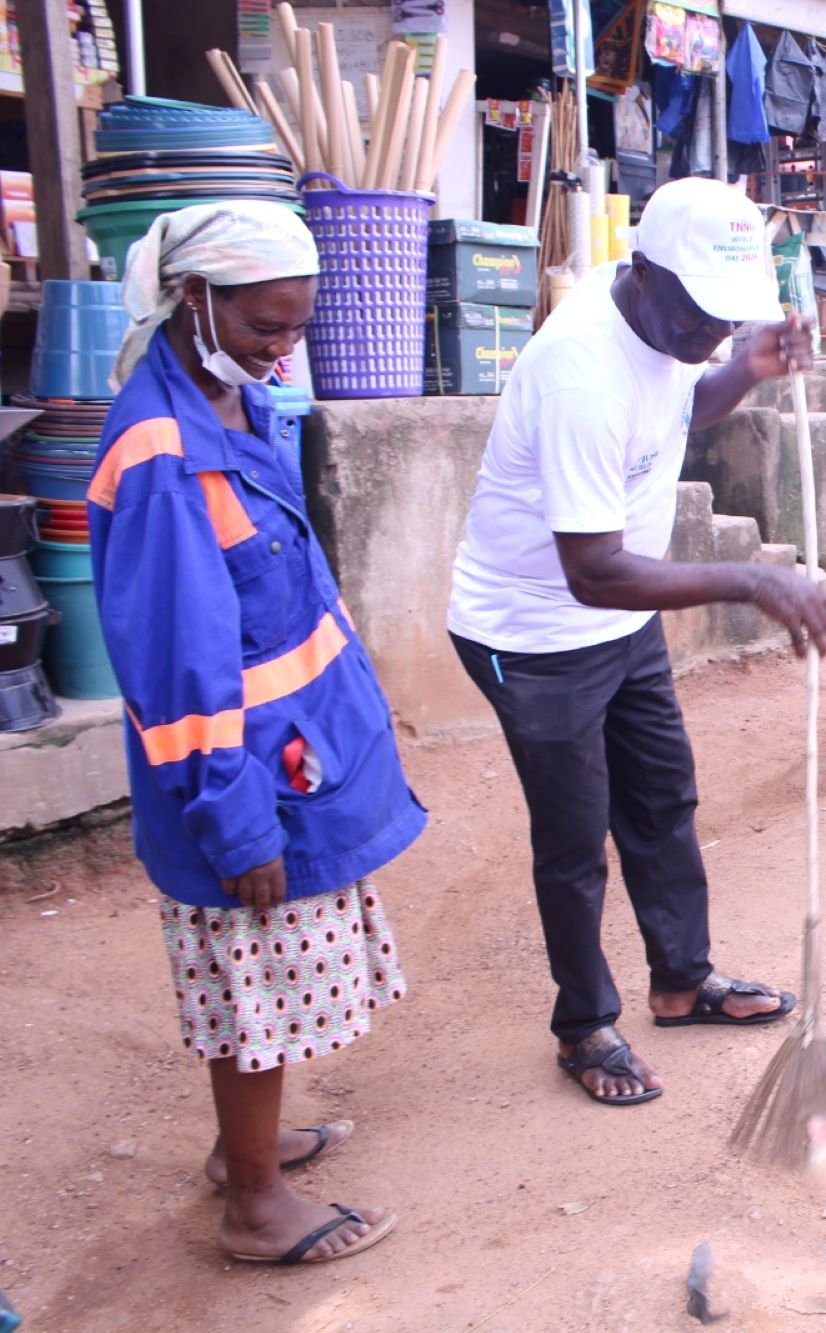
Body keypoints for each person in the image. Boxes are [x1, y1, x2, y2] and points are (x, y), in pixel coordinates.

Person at [447, 177, 826, 1107]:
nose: (711, 336)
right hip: (535, 629)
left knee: (662, 797)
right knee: (577, 837)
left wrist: (744, 369)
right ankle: (583, 1025)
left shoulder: (665, 329)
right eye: (703, 318)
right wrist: (752, 579)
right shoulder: (581, 367)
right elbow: (594, 569)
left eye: (725, 322)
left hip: (617, 621)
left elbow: (677, 406)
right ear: (646, 272)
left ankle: (679, 979)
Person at [89, 202, 426, 1263]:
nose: (282, 349)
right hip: (240, 780)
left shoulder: (232, 401)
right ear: (194, 299)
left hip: (290, 756)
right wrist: (237, 825)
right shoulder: (163, 451)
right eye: (263, 329)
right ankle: (254, 1205)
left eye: (295, 329)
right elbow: (179, 664)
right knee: (257, 990)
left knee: (263, 987)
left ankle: (252, 1150)